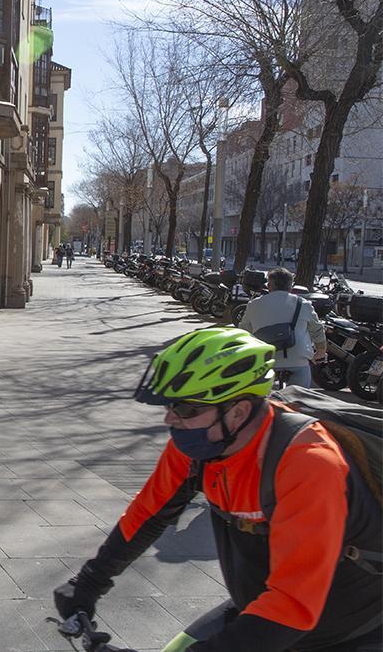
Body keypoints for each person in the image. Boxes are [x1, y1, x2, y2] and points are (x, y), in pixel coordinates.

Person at [53, 327, 381, 651]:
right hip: (258, 613)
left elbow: (293, 602)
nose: (170, 418)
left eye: (185, 408)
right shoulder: (201, 444)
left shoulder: (309, 462)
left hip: (347, 631)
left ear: (237, 411)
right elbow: (149, 513)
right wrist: (89, 583)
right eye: (170, 405)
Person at [239, 268, 326, 388]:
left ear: (269, 285)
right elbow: (317, 330)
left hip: (265, 361)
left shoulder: (253, 305)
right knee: (300, 399)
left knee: (261, 399)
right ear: (291, 286)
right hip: (298, 360)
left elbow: (243, 332)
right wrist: (320, 351)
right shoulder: (304, 304)